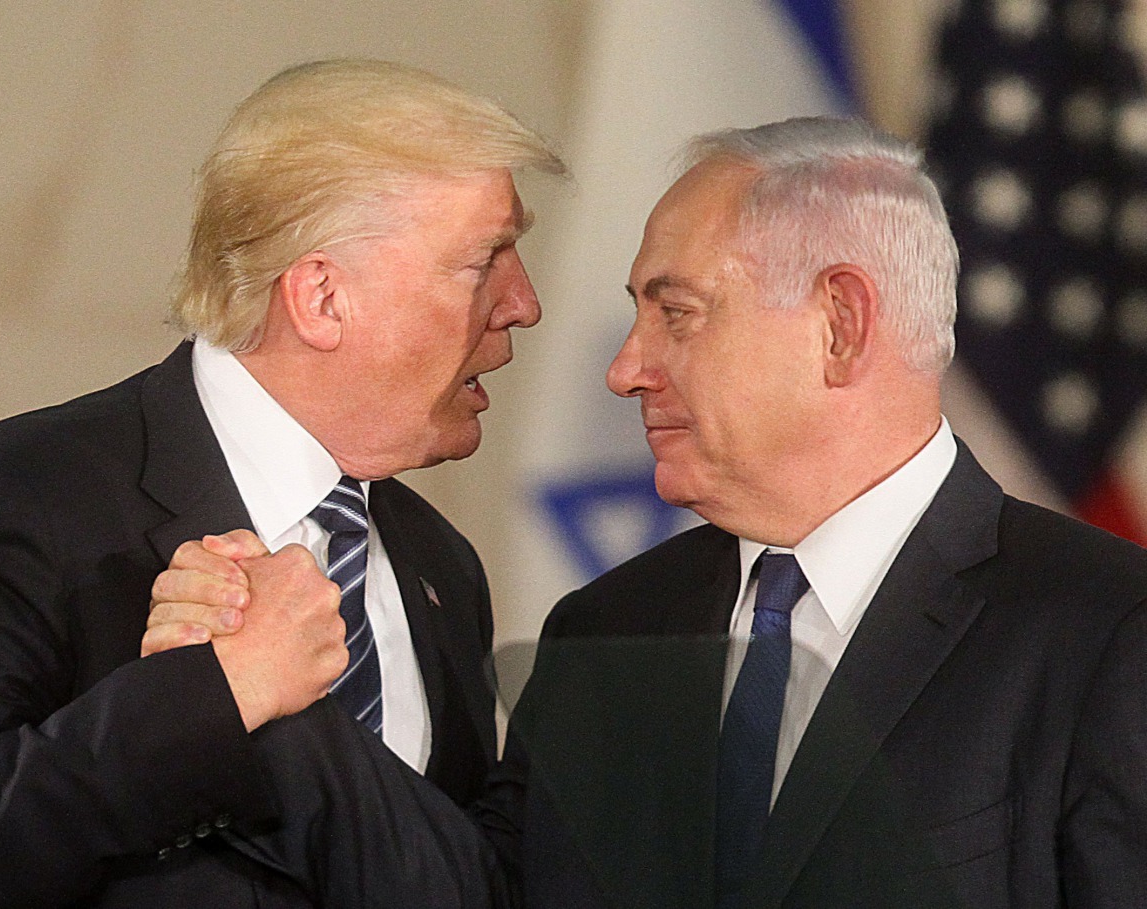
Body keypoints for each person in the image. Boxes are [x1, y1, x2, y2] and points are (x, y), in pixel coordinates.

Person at [150, 116, 1147, 908]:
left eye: (676, 313)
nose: (628, 369)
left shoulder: (1106, 634)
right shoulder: (609, 630)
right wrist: (274, 701)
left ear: (841, 326)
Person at [0, 58, 563, 908]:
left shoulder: (440, 566)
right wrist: (216, 694)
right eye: (485, 259)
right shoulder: (33, 491)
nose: (523, 302)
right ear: (321, 298)